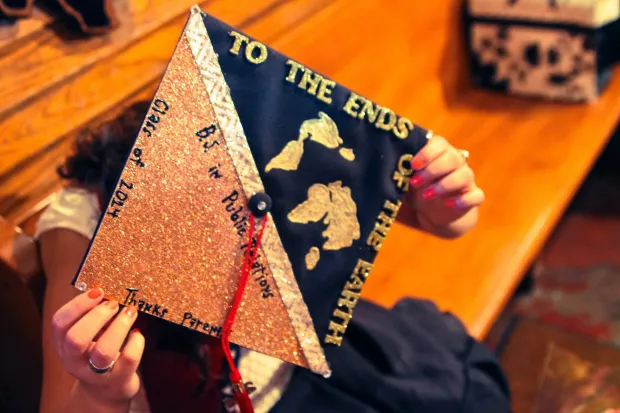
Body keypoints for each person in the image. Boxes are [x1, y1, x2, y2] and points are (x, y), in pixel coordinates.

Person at [38, 101, 494, 413]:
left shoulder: (246, 149)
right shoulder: (87, 225)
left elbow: (440, 220)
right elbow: (67, 396)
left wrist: (446, 200)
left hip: (316, 346)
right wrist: (104, 393)